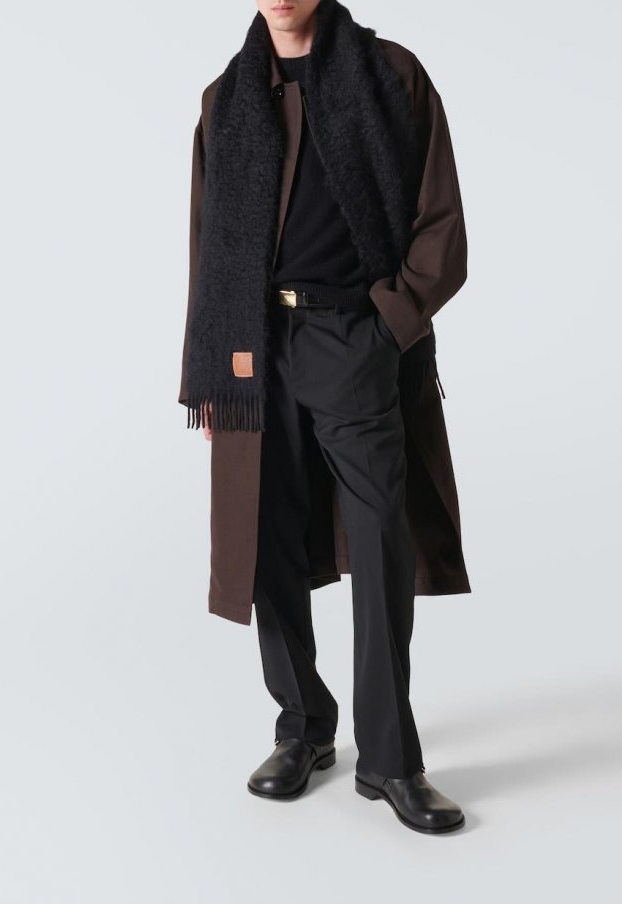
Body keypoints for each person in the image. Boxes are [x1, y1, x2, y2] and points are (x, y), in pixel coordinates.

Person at [178, 0, 472, 835]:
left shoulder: (393, 76)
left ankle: (389, 759)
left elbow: (442, 227)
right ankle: (303, 727)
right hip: (253, 345)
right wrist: (210, 371)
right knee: (265, 535)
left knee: (381, 541)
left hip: (353, 337)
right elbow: (206, 247)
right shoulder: (224, 100)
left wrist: (387, 326)